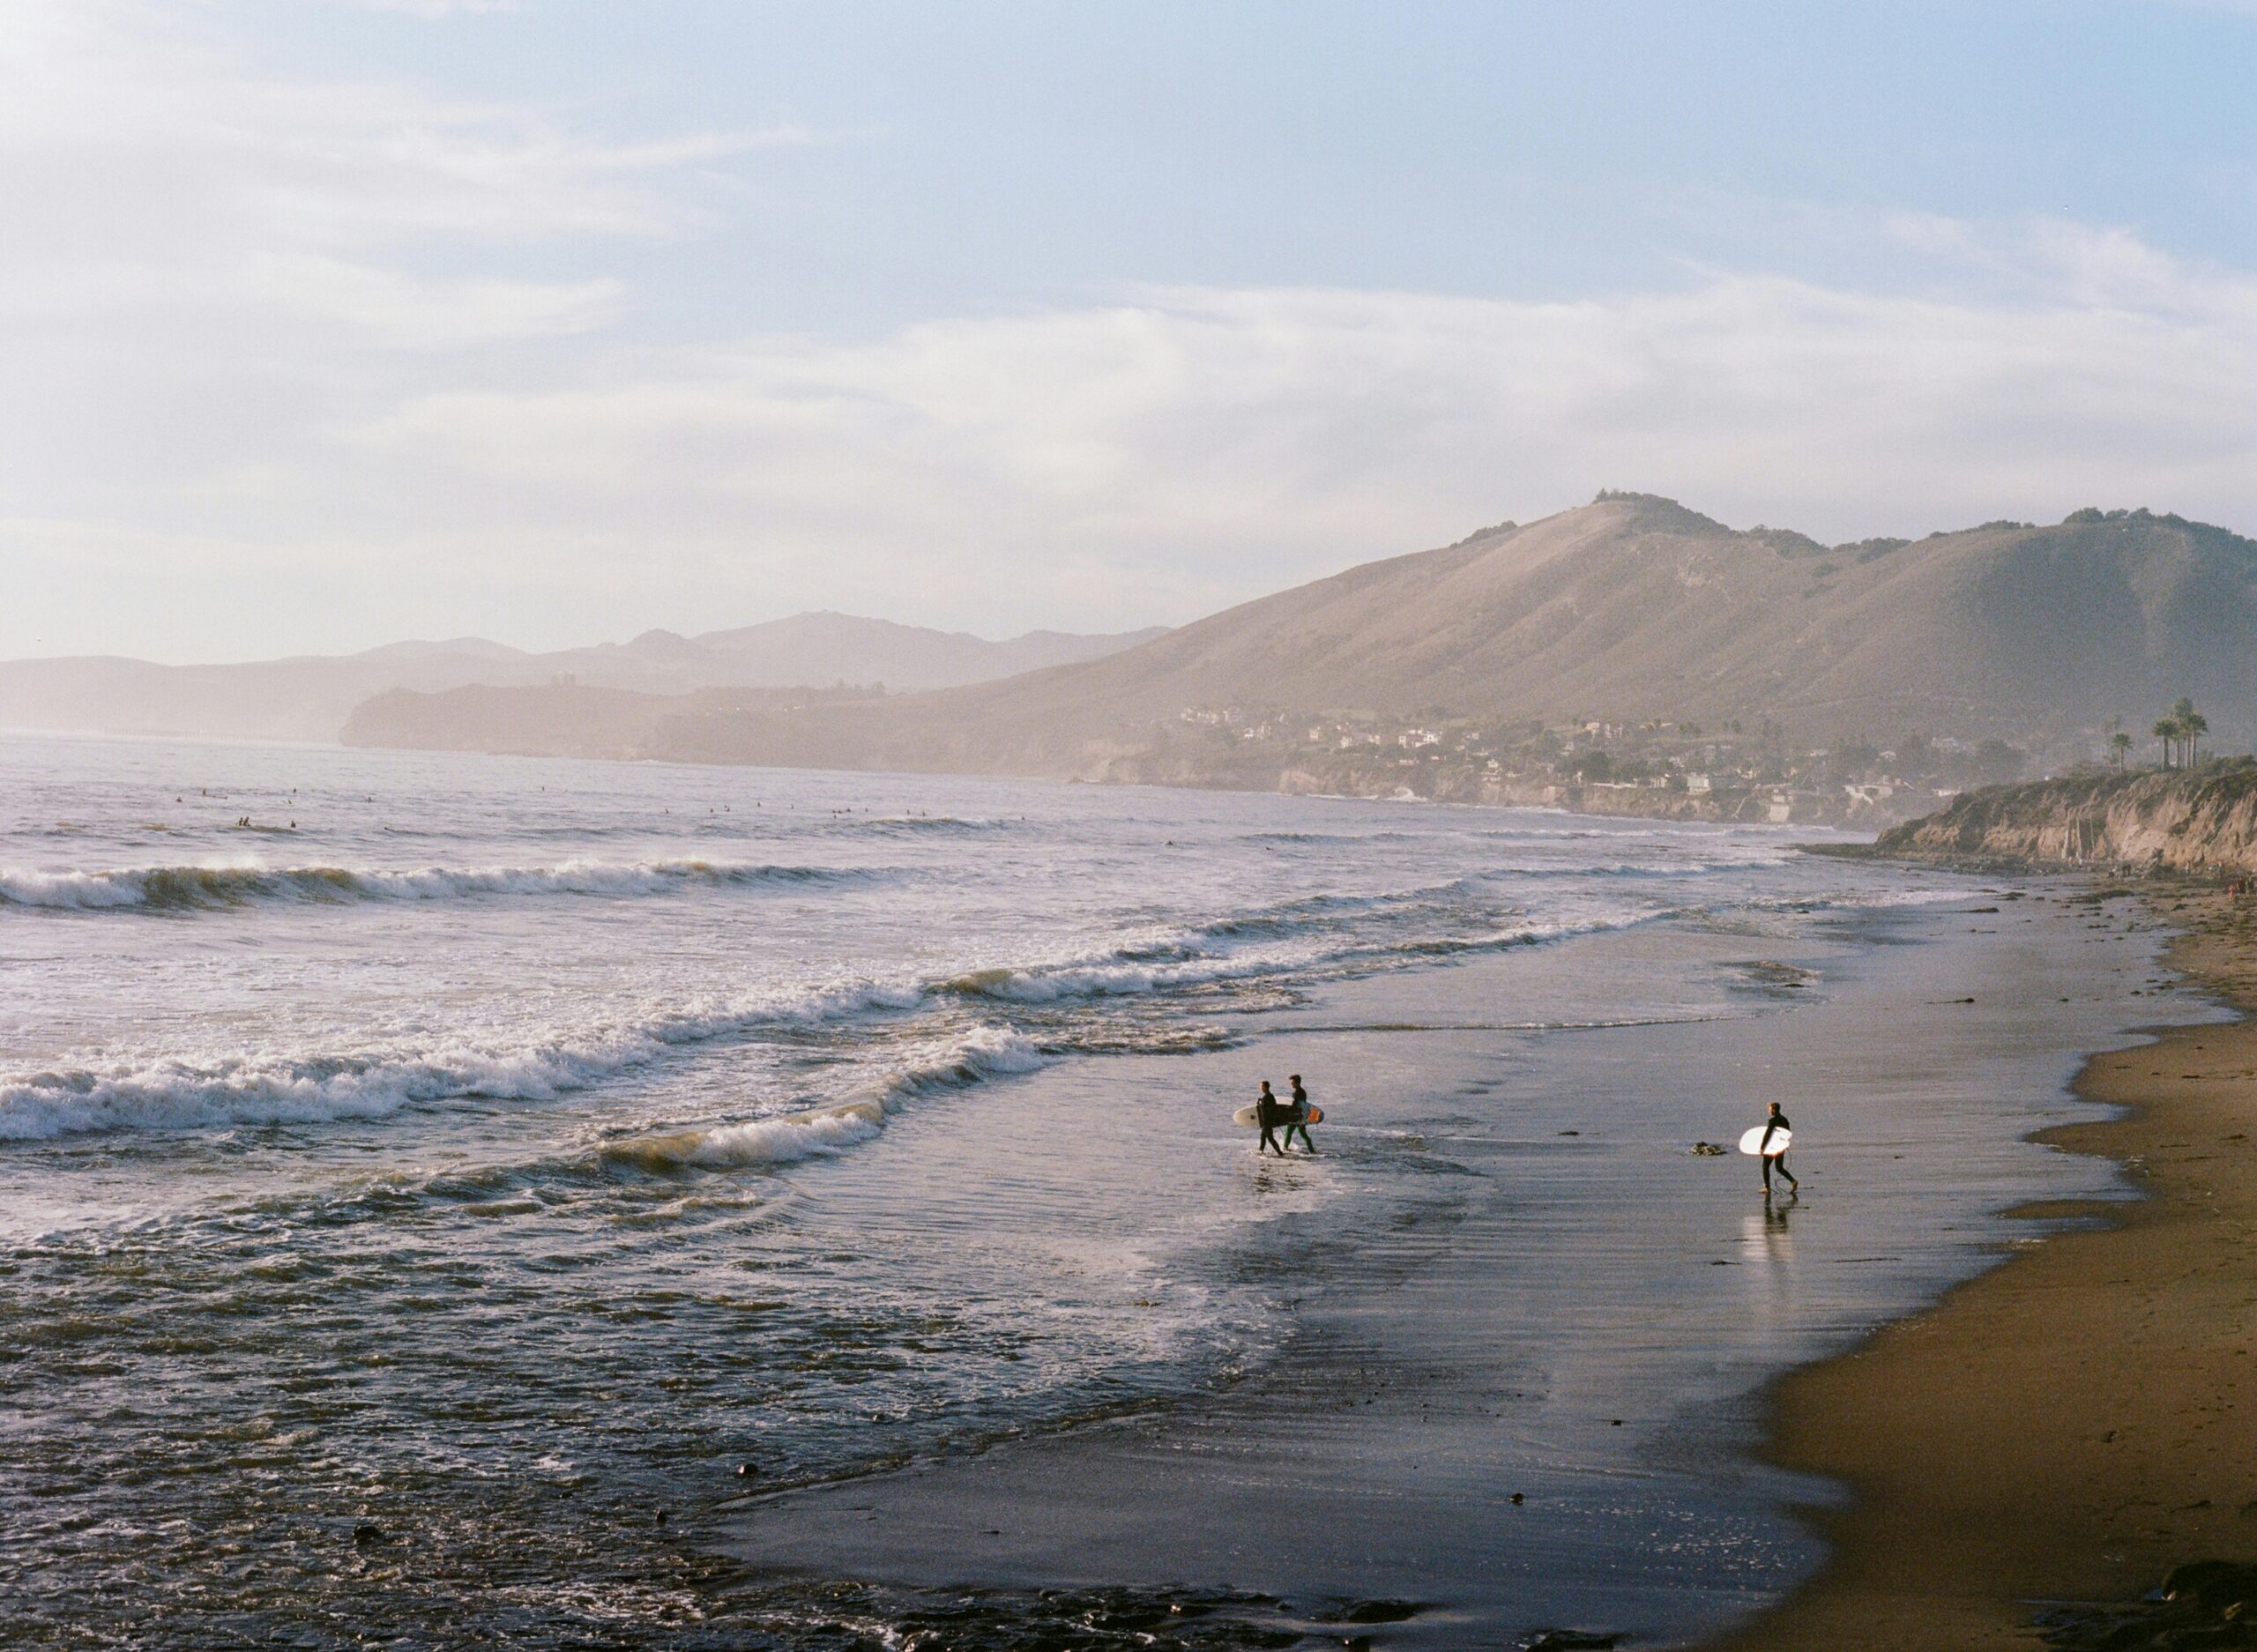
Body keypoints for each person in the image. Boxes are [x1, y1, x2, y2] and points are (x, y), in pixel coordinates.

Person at [1758, 1101, 1798, 1195]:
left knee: (1765, 1167)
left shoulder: (1772, 1121)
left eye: (1770, 1109)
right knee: (1779, 1167)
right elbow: (1788, 1133)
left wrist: (1762, 1147)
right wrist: (1784, 1144)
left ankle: (1767, 1188)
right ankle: (1793, 1181)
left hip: (1772, 1148)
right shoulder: (1784, 1119)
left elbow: (1767, 1135)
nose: (1769, 1111)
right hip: (1781, 1147)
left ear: (1774, 1110)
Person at [1283, 1074, 1317, 1155]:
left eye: (1292, 1083)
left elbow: (1294, 1105)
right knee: (1303, 1133)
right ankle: (1312, 1150)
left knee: (1288, 1133)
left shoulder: (1296, 1093)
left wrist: (1285, 1109)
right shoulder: (1303, 1091)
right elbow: (1303, 1105)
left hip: (1295, 1116)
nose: (1291, 1084)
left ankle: (1285, 1148)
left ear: (1297, 1083)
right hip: (1302, 1116)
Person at [1254, 1079, 1286, 1157]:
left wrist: (1258, 1104)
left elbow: (1263, 1110)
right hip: (1270, 1120)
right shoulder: (1271, 1096)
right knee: (1263, 1137)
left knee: (1270, 1139)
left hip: (1266, 1121)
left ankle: (1280, 1153)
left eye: (1261, 1086)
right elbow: (1272, 1106)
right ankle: (1261, 1151)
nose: (1260, 1088)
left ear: (1265, 1087)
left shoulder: (1265, 1097)